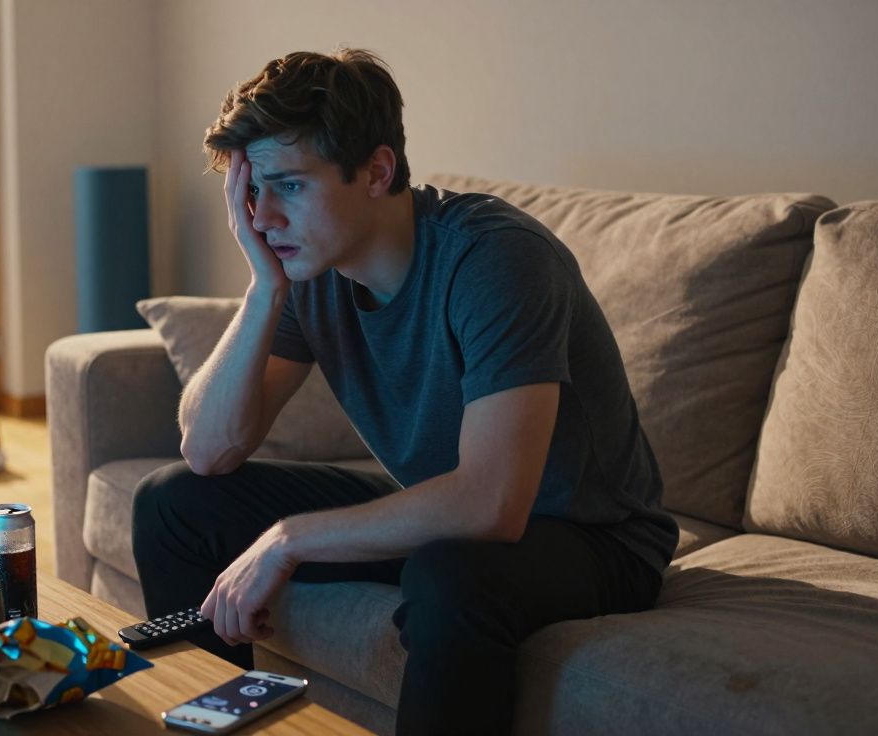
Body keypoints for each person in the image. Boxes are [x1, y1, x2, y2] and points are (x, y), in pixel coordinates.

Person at [131, 47, 678, 735]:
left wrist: (289, 539)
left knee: (451, 577)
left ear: (377, 171)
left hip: (596, 540)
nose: (264, 217)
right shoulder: (311, 270)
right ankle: (210, 726)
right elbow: (209, 451)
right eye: (253, 191)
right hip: (456, 521)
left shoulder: (496, 259)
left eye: (289, 186)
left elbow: (490, 504)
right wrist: (263, 288)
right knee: (173, 504)